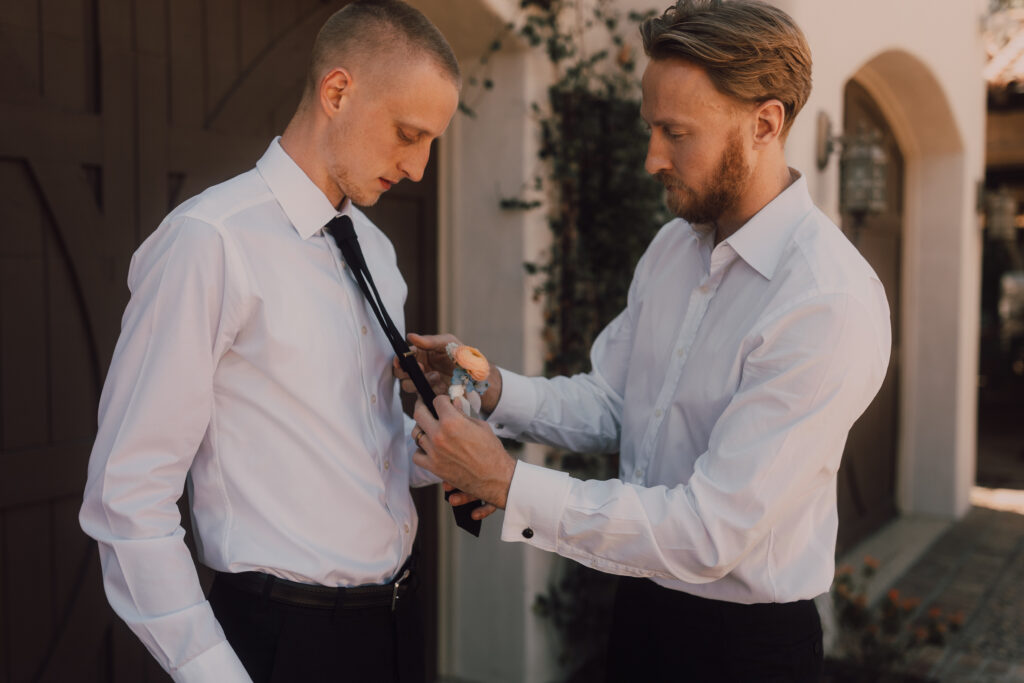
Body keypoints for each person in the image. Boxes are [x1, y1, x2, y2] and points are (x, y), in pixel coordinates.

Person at [403, 1, 891, 680]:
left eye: (675, 132)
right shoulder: (671, 249)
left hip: (746, 651)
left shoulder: (825, 301)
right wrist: (492, 389)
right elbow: (615, 403)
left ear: (765, 123)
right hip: (638, 610)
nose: (651, 158)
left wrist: (509, 483)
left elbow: (707, 531)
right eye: (650, 128)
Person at [79, 1, 459, 681]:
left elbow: (362, 455)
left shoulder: (375, 249)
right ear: (337, 91)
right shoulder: (211, 241)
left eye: (432, 142)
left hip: (397, 627)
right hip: (283, 642)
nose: (419, 168)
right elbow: (127, 494)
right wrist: (210, 668)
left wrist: (451, 440)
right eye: (408, 133)